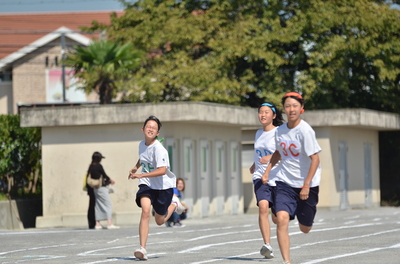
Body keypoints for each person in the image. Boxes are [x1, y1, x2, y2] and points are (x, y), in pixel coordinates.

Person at [263, 92, 322, 264]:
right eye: (288, 106)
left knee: (305, 228)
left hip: (307, 185)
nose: (291, 109)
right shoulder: (280, 131)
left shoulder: (305, 131)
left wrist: (306, 185)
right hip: (285, 182)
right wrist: (267, 171)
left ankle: (299, 212)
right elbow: (278, 153)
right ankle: (287, 261)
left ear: (301, 109)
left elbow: (315, 159)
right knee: (281, 219)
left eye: (295, 106)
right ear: (284, 109)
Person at [128, 115, 185, 261]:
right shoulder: (141, 144)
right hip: (147, 184)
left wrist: (140, 175)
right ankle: (142, 248)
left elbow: (162, 170)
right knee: (146, 211)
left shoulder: (160, 149)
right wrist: (135, 167)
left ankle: (174, 203)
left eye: (154, 128)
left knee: (159, 221)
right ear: (143, 129)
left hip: (163, 187)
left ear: (158, 132)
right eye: (148, 126)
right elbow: (143, 157)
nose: (151, 129)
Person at [249, 102, 284, 259]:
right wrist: (254, 165)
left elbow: (286, 153)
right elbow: (259, 154)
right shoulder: (258, 133)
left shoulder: (280, 133)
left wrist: (270, 158)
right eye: (260, 112)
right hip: (260, 177)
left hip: (278, 178)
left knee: (277, 218)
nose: (262, 115)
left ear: (274, 115)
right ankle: (267, 245)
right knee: (263, 207)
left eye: (266, 112)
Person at [88, 151, 120, 230]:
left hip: (95, 188)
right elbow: (104, 175)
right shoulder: (99, 166)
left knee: (98, 205)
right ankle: (109, 223)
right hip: (101, 187)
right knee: (108, 204)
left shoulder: (91, 166)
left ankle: (97, 223)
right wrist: (110, 180)